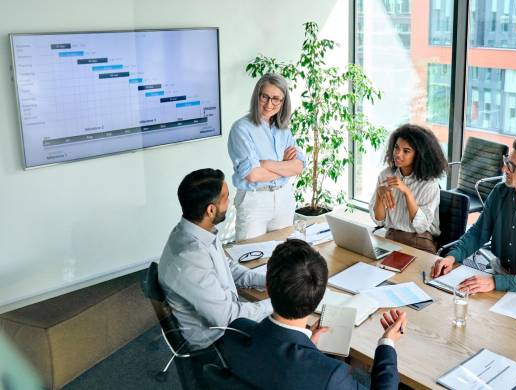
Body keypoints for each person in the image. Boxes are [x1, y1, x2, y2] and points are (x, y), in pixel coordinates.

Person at [220, 239, 406, 389]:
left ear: (267, 287)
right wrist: (387, 343)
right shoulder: (330, 376)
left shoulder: (235, 331)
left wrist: (309, 346)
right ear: (319, 296)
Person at [431, 137, 516, 294]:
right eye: (506, 162)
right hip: (498, 273)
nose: (505, 170)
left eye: (512, 166)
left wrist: (495, 282)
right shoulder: (500, 192)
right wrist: (452, 257)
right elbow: (478, 233)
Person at [158, 169, 272, 350]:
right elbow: (228, 318)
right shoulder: (189, 258)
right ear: (211, 210)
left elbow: (227, 268)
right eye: (226, 198)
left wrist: (266, 280)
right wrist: (279, 302)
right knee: (290, 336)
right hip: (216, 343)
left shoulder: (196, 231)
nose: (231, 201)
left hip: (227, 320)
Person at [228, 73, 305, 241]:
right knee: (251, 257)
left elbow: (298, 166)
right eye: (265, 97)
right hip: (254, 199)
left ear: (283, 102)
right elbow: (253, 174)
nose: (270, 104)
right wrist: (285, 166)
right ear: (257, 96)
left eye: (276, 98)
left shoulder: (284, 129)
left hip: (284, 197)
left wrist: (265, 164)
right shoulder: (241, 129)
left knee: (284, 257)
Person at [369, 124, 448, 253]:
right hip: (392, 237)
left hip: (420, 241)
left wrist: (407, 192)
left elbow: (421, 227)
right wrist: (379, 195)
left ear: (419, 155)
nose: (398, 154)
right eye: (396, 148)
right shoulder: (386, 175)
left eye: (406, 151)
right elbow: (379, 221)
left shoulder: (429, 184)